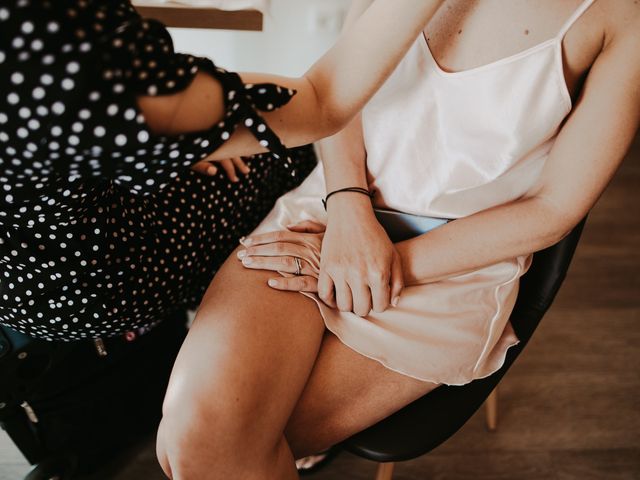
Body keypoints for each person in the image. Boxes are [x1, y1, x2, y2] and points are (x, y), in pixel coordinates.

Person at [156, 0, 640, 478]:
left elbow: (554, 209)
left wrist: (381, 263)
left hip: (453, 269)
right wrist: (346, 207)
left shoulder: (621, 17)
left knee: (233, 449)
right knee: (198, 441)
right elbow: (330, 95)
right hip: (325, 216)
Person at [0, 0, 446, 475]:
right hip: (88, 277)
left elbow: (72, 132)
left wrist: (156, 140)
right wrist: (348, 198)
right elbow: (322, 102)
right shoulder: (51, 53)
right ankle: (256, 370)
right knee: (291, 158)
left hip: (22, 256)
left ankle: (231, 359)